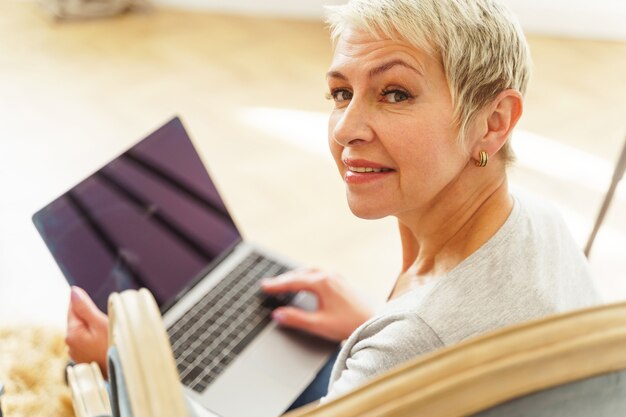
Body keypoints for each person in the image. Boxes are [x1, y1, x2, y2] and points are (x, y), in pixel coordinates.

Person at [66, 0, 601, 408]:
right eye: (341, 92)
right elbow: (453, 347)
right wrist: (371, 324)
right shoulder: (537, 218)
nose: (345, 129)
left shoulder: (410, 343)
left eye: (395, 93)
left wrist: (132, 367)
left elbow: (428, 342)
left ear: (493, 121)